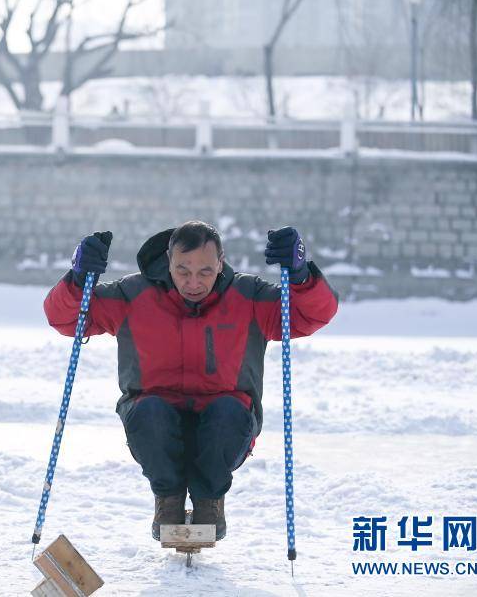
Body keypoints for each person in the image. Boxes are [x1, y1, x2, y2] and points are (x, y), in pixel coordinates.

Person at [43, 222, 338, 541]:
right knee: (151, 412)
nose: (193, 282)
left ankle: (209, 501)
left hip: (228, 426)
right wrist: (77, 278)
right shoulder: (133, 295)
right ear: (168, 260)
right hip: (152, 424)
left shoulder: (248, 296)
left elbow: (310, 315)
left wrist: (300, 275)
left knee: (226, 412)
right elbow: (66, 319)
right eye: (183, 271)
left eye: (205, 272)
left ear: (221, 262)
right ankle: (167, 500)